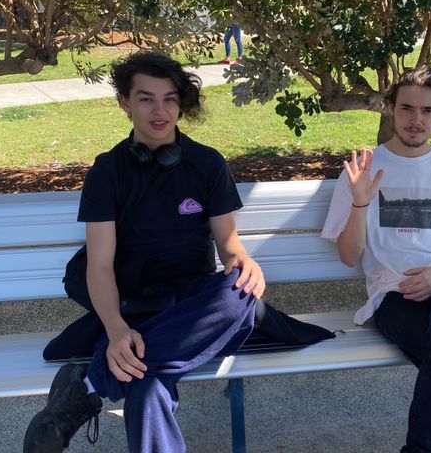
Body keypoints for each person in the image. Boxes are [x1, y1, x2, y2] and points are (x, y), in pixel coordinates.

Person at [23, 51, 266, 453]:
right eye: (146, 99)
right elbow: (100, 266)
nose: (160, 111)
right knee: (146, 382)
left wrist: (242, 261)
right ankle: (112, 367)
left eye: (170, 99)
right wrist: (117, 330)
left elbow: (229, 245)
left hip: (192, 303)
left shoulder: (207, 164)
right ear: (125, 103)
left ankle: (89, 384)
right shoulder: (107, 172)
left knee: (240, 292)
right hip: (134, 305)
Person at [320, 66, 431, 453]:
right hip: (392, 293)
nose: (416, 120)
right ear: (391, 109)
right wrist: (360, 202)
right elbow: (348, 256)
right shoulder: (362, 172)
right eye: (407, 108)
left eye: (427, 110)